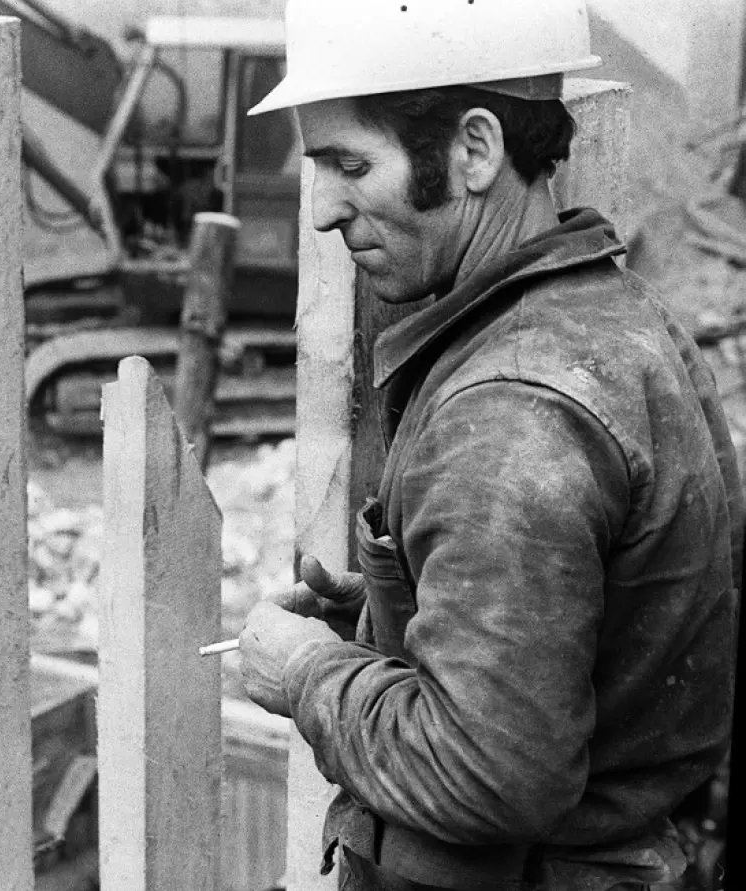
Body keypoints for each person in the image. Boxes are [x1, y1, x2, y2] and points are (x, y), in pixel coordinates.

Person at [239, 2, 743, 889]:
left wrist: (309, 673)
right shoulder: (612, 319)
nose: (322, 211)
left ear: (474, 149)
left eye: (351, 165)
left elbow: (486, 776)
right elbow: (601, 630)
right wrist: (405, 612)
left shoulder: (509, 411)